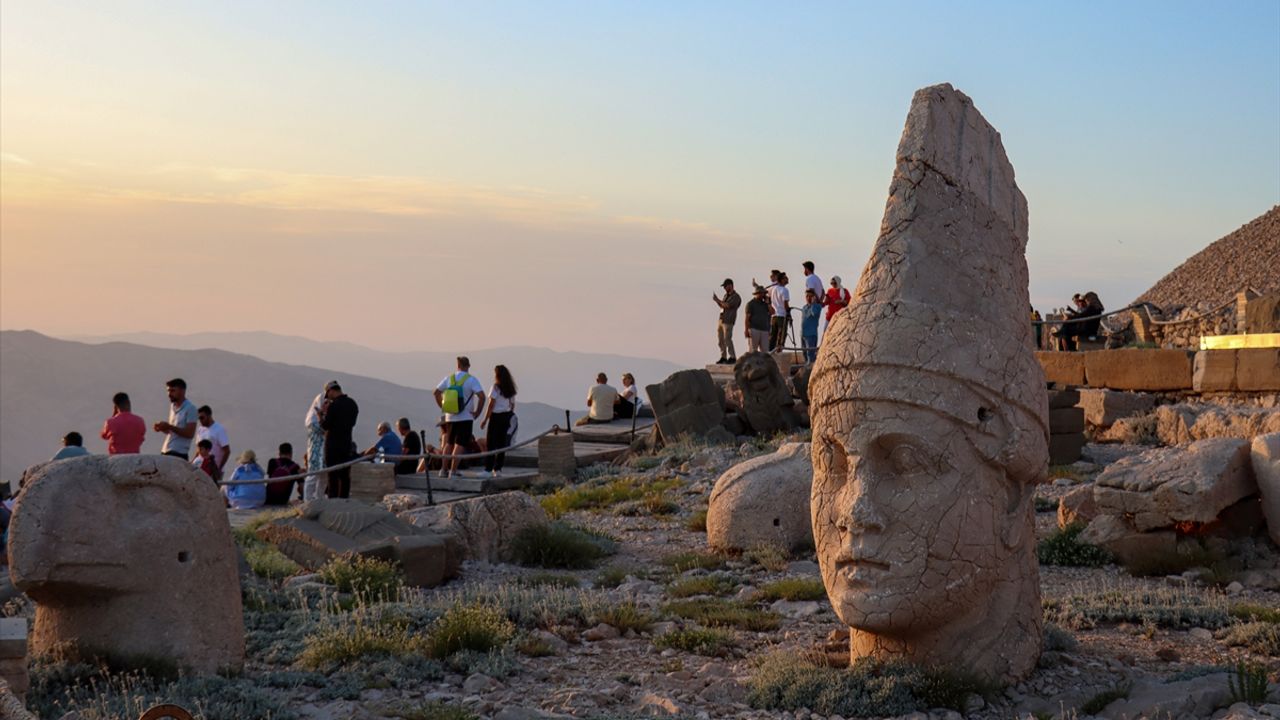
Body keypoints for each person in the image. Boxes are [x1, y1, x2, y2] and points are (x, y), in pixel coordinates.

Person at [433, 357, 486, 479]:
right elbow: (482, 396)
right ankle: (453, 471)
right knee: (460, 444)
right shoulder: (471, 380)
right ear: (468, 365)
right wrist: (477, 412)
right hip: (466, 416)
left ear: (457, 365)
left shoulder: (449, 379)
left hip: (450, 416)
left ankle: (443, 470)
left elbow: (436, 393)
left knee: (449, 443)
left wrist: (442, 405)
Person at [319, 381, 359, 498]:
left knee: (332, 476)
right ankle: (344, 500)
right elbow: (352, 423)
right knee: (345, 476)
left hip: (332, 446)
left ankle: (333, 502)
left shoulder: (334, 406)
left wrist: (321, 415)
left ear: (331, 391)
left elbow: (326, 426)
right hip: (346, 444)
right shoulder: (352, 404)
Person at [480, 365, 517, 477]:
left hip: (496, 416)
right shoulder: (511, 388)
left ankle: (488, 469)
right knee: (502, 443)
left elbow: (491, 404)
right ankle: (498, 468)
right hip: (507, 415)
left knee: (491, 443)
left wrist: (485, 419)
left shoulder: (496, 387)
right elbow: (512, 404)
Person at [154, 378, 198, 460]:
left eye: (173, 391)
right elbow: (174, 431)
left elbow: (190, 433)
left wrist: (169, 426)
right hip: (165, 451)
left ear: (182, 391)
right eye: (168, 391)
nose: (169, 394)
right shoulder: (172, 407)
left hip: (178, 454)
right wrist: (163, 428)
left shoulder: (190, 409)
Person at [303, 386, 327, 501]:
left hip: (325, 451)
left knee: (324, 476)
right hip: (316, 451)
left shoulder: (324, 417)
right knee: (312, 476)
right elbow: (321, 430)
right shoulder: (312, 419)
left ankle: (319, 498)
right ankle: (308, 500)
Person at [195, 405, 231, 480]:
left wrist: (219, 468)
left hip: (214, 469)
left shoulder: (219, 429)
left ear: (209, 415)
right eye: (199, 418)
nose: (200, 420)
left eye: (202, 417)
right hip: (201, 468)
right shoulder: (200, 430)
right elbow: (198, 450)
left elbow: (227, 451)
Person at [712, 279, 741, 365]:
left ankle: (732, 357)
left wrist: (718, 300)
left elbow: (728, 305)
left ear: (730, 285)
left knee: (727, 339)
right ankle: (723, 356)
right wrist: (718, 301)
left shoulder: (736, 297)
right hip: (721, 319)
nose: (724, 288)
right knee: (721, 339)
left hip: (728, 321)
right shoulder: (726, 296)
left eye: (725, 286)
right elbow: (722, 305)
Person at [744, 285, 772, 353]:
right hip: (754, 329)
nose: (763, 295)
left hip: (765, 330)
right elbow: (747, 318)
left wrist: (768, 303)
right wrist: (746, 330)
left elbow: (772, 312)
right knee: (753, 351)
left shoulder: (765, 304)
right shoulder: (751, 304)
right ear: (757, 294)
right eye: (762, 293)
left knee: (765, 352)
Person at [768, 273, 791, 352]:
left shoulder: (774, 289)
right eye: (785, 278)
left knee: (773, 335)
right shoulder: (785, 290)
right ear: (781, 280)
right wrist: (788, 313)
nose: (787, 279)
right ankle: (779, 351)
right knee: (781, 335)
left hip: (774, 316)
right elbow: (785, 304)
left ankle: (770, 351)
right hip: (781, 315)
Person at [801, 288, 821, 363]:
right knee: (804, 352)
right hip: (803, 334)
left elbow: (814, 313)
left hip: (811, 334)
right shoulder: (804, 307)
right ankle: (807, 366)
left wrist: (813, 303)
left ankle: (810, 368)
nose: (808, 298)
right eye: (807, 296)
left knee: (810, 354)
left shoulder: (817, 307)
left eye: (810, 296)